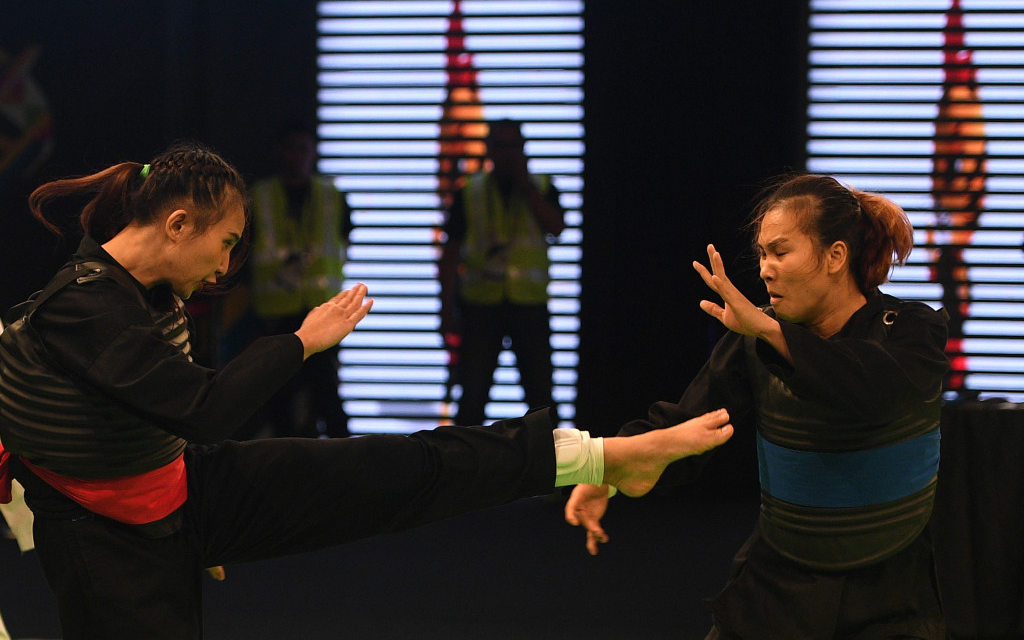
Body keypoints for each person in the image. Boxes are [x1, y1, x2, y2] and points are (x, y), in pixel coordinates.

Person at [0, 142, 734, 640]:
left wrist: (179, 511)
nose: (226, 269)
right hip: (109, 538)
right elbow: (202, 407)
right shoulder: (80, 306)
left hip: (178, 492)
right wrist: (300, 342)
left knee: (398, 469)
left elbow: (163, 424)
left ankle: (598, 457)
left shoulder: (143, 291)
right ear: (179, 222)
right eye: (224, 244)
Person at [565, 174, 949, 639]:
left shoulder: (910, 329)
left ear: (835, 257)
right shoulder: (755, 340)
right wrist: (611, 467)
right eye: (763, 254)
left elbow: (872, 392)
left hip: (892, 595)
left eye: (781, 252)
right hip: (778, 585)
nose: (765, 269)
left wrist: (769, 333)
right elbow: (687, 424)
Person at [439, 118, 565, 426]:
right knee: (472, 397)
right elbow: (450, 254)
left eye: (514, 146)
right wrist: (445, 308)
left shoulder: (542, 187)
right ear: (489, 150)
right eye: (502, 145)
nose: (507, 153)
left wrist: (527, 187)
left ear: (524, 150)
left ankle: (551, 469)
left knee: (541, 397)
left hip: (529, 305)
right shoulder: (471, 192)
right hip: (481, 307)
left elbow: (557, 226)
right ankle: (465, 469)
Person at [245, 123, 352, 438]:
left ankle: (344, 460)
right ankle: (292, 461)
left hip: (322, 310)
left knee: (327, 392)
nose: (297, 157)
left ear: (314, 153)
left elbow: (343, 244)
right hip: (277, 312)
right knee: (280, 397)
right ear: (280, 152)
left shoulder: (333, 197)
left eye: (303, 149)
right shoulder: (260, 197)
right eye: (291, 148)